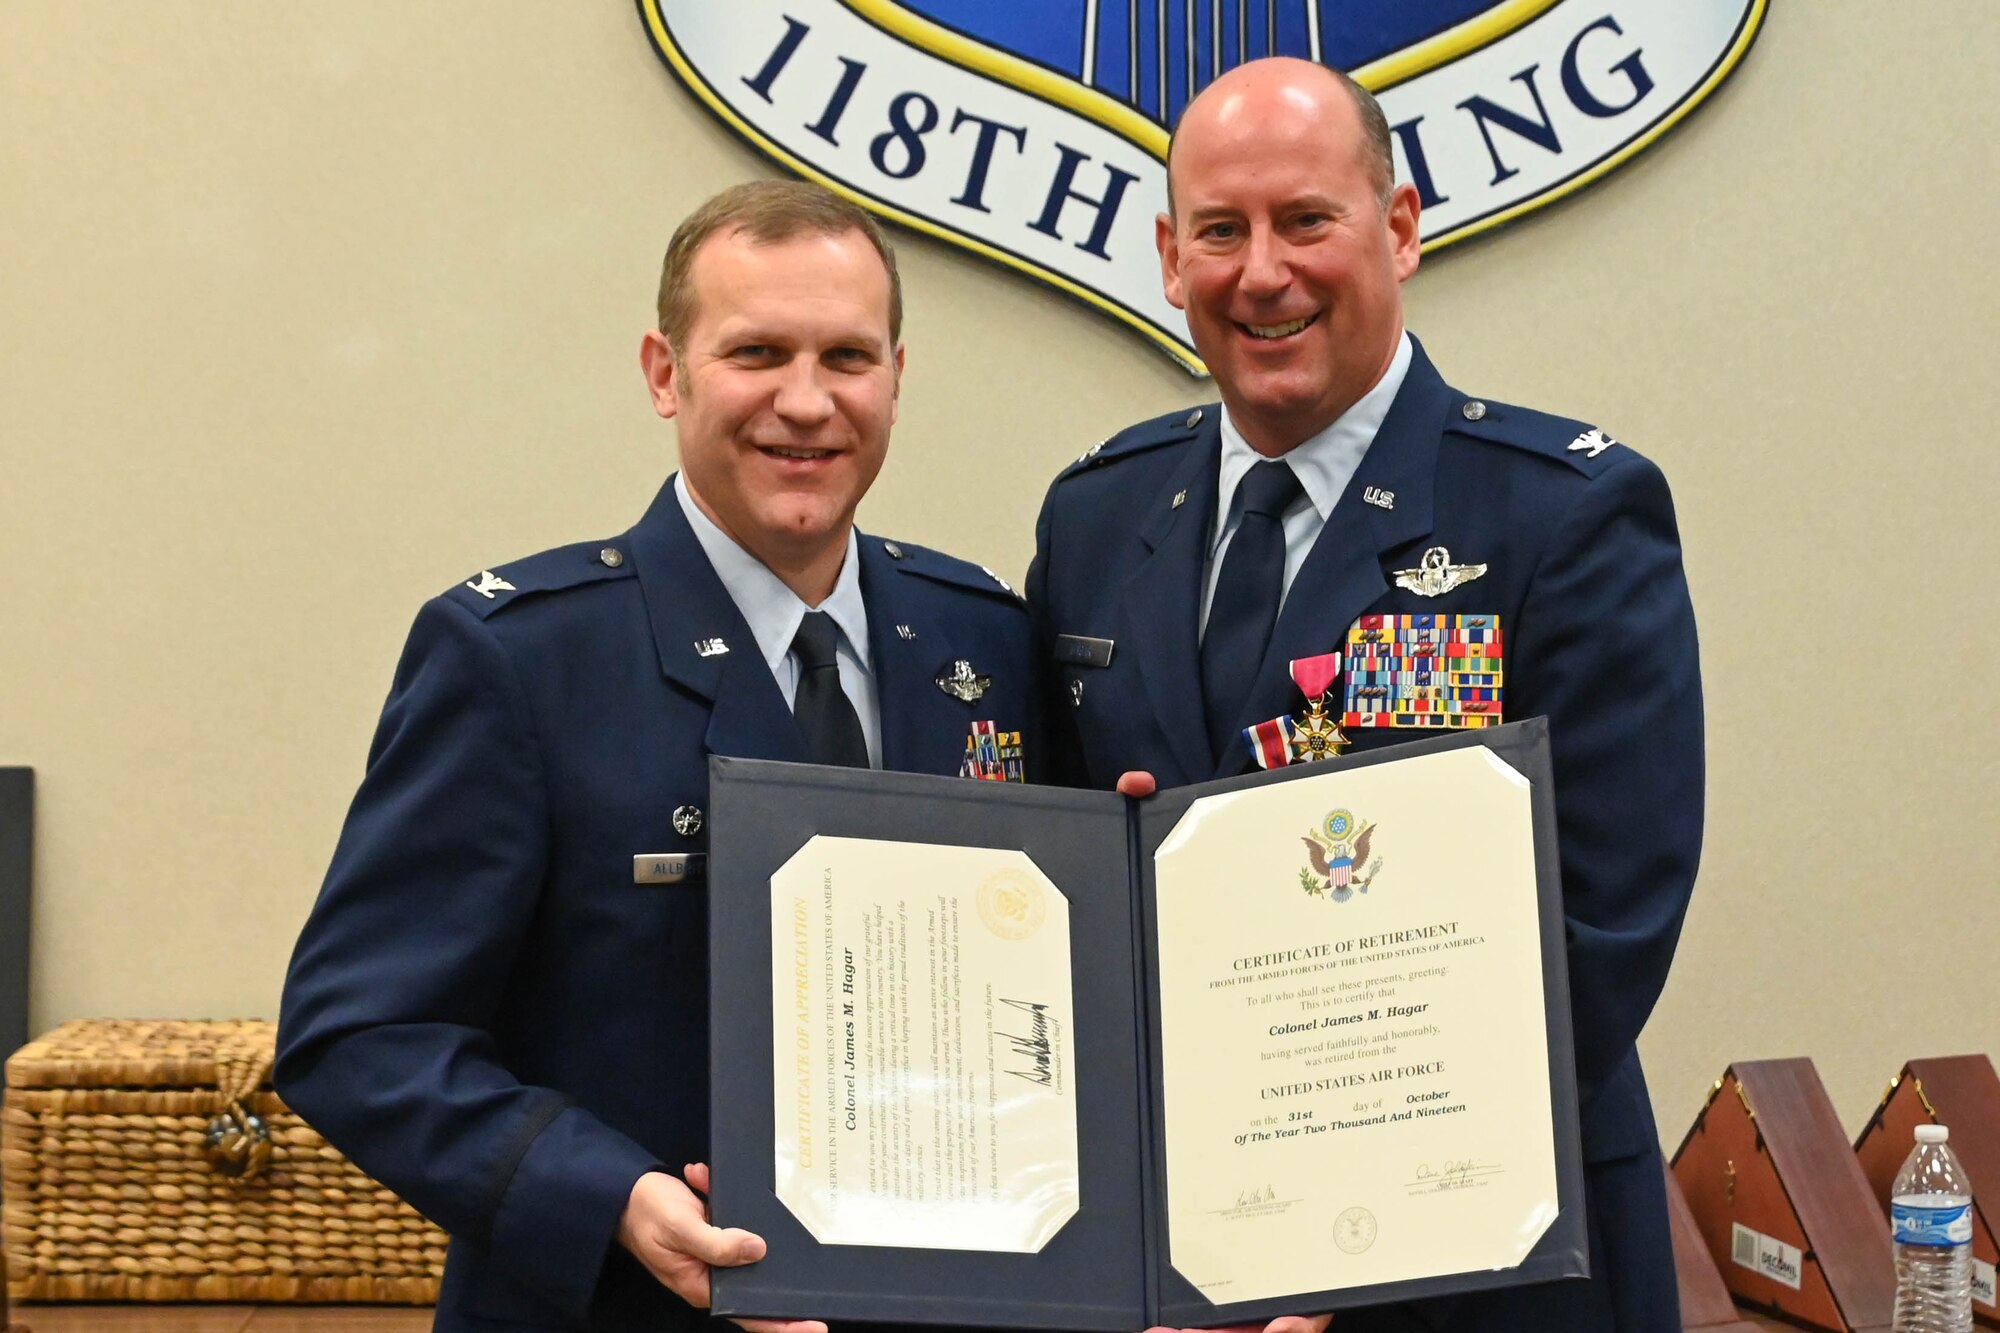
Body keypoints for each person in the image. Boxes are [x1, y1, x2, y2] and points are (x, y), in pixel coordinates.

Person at [276, 180, 1036, 1332]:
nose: (805, 401)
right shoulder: (518, 660)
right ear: (663, 372)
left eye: (846, 355)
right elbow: (357, 1036)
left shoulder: (983, 635)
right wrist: (608, 1194)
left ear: (895, 374)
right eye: (756, 352)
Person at [1028, 58, 1702, 1333]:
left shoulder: (1559, 514)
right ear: (1170, 258)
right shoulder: (1096, 514)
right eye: (1219, 231)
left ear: (1396, 227)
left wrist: (1338, 1225)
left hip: (1481, 1267)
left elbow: (1603, 929)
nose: (1261, 271)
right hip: (1178, 1268)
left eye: (1305, 220)